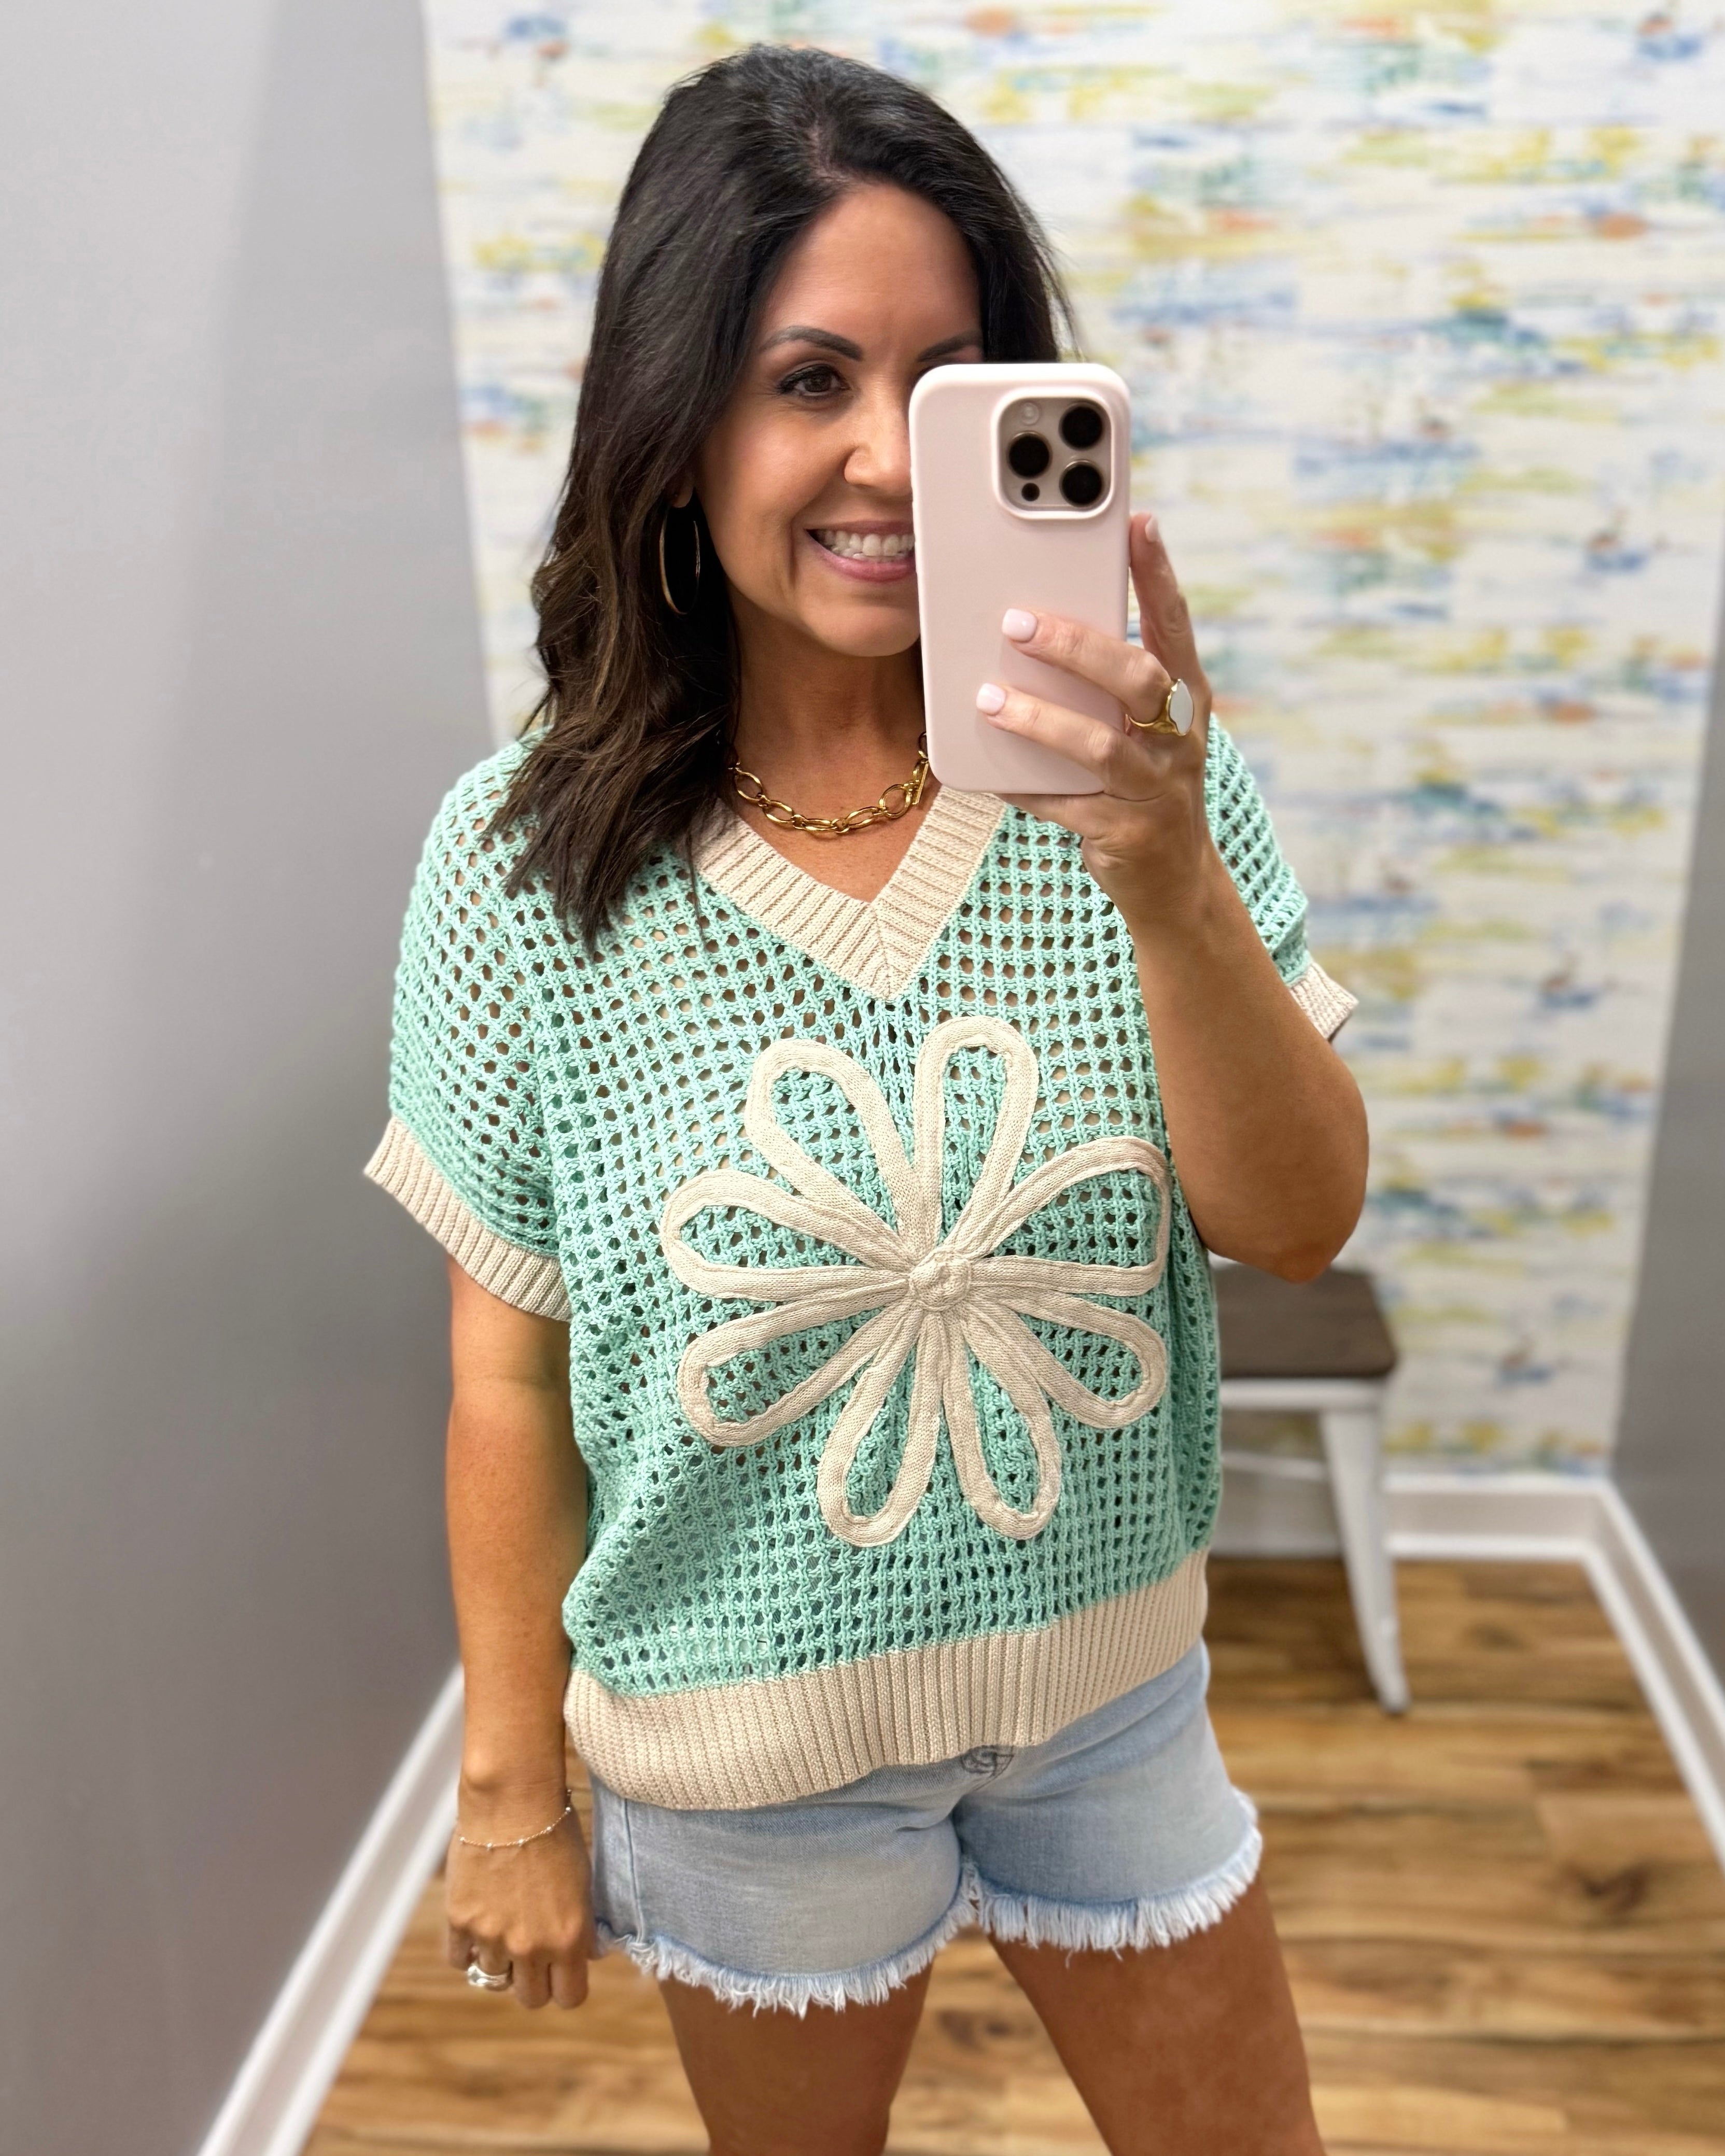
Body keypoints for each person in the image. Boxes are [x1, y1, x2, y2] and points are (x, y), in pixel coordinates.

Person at [365, 43, 1365, 2156]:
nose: (887, 468)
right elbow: (502, 1370)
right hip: (738, 1754)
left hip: (1115, 1697)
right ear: (675, 416)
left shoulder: (1144, 793)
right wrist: (507, 1789)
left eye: (947, 390)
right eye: (806, 379)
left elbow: (1292, 1223)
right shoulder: (518, 863)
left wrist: (1170, 881)